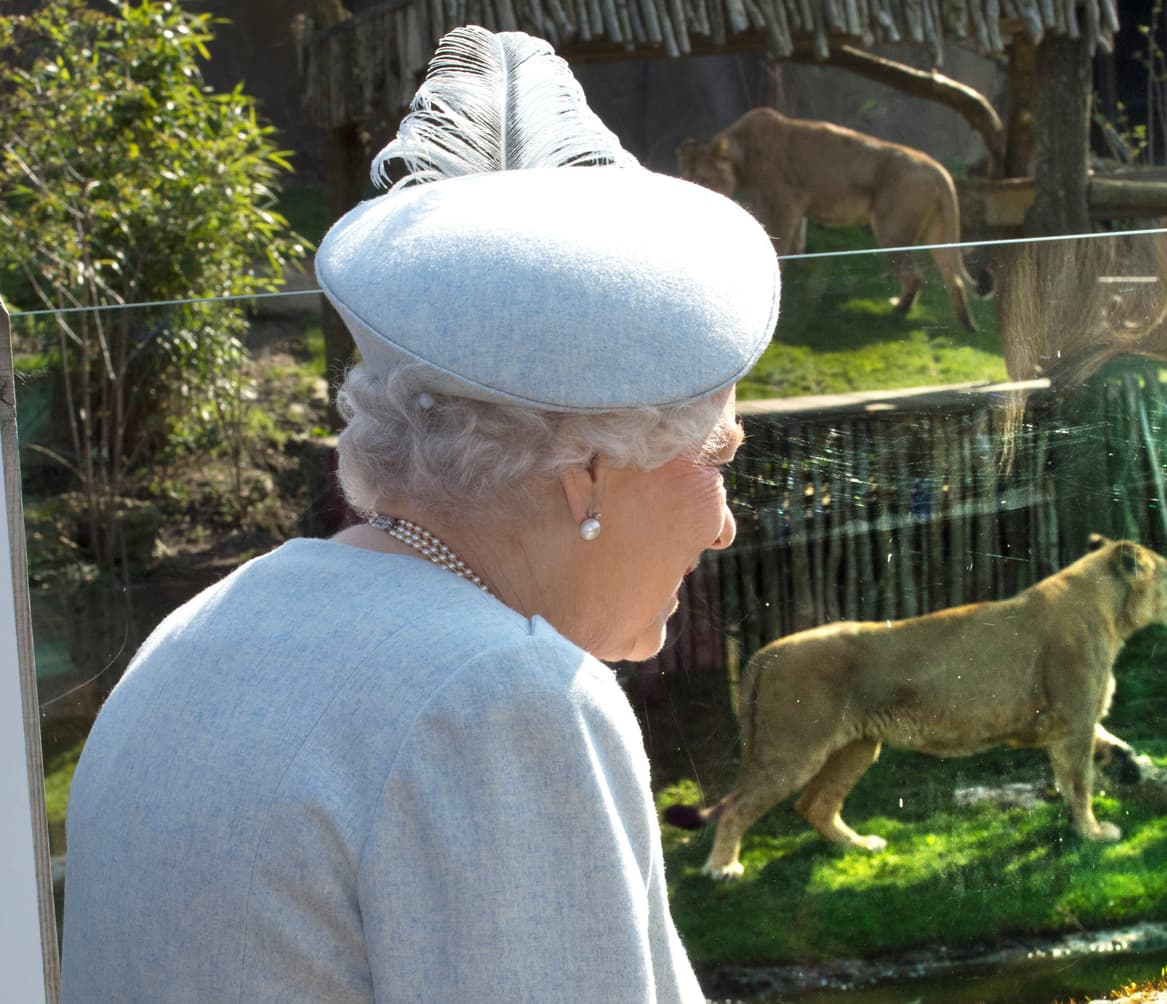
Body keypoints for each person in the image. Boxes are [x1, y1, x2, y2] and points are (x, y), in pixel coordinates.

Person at [60, 25, 779, 1003]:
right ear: (591, 472)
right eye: (715, 459)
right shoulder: (501, 701)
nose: (723, 523)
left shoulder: (208, 627)